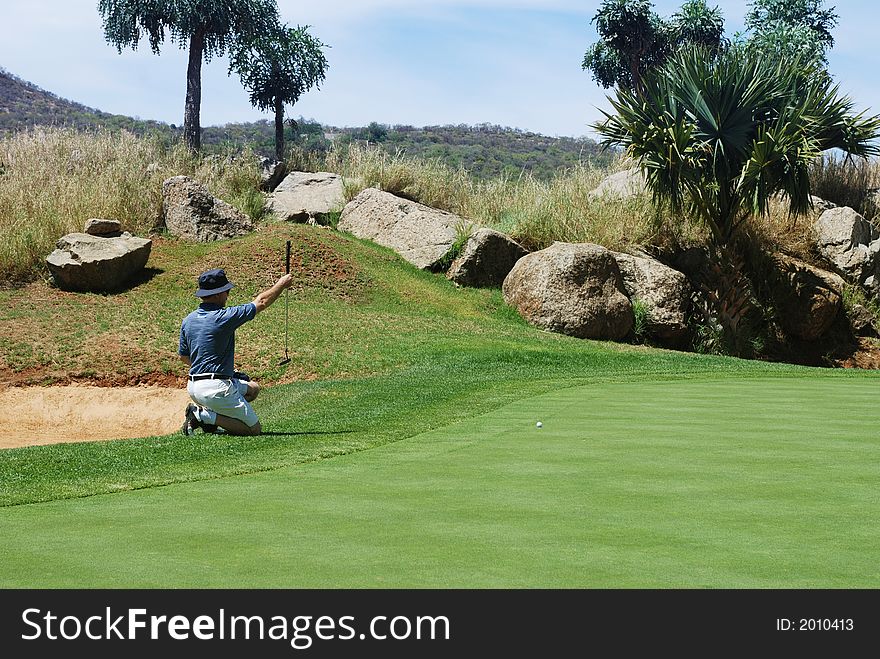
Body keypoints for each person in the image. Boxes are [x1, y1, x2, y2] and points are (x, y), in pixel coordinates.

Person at [179, 268, 293, 436]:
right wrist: (281, 284)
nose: (228, 295)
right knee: (253, 430)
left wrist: (227, 372)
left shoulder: (188, 320)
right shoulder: (224, 317)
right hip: (216, 389)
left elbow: (183, 357)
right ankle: (202, 415)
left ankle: (210, 418)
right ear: (218, 294)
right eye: (226, 291)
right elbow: (261, 302)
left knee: (253, 389)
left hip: (194, 387)